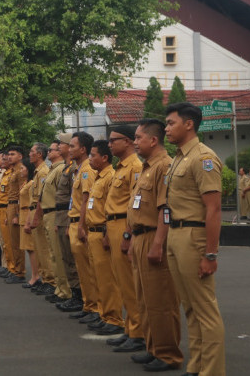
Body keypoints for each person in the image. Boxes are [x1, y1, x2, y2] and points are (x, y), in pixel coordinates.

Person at [165, 102, 225, 376]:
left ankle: (211, 371)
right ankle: (197, 365)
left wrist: (210, 254)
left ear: (189, 124)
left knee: (205, 308)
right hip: (176, 235)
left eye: (171, 123)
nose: (167, 128)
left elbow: (213, 209)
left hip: (193, 236)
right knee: (189, 306)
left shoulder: (203, 157)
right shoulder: (179, 157)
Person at [127, 119, 183, 372]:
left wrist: (158, 244)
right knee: (145, 299)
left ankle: (168, 354)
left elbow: (166, 210)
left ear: (153, 140)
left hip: (153, 236)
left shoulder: (164, 166)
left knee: (161, 301)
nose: (135, 142)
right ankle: (153, 348)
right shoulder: (147, 167)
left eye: (139, 138)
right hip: (139, 236)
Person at [104, 125, 145, 352]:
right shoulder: (120, 167)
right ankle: (129, 328)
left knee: (129, 284)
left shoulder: (135, 167)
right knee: (121, 281)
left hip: (123, 224)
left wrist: (128, 233)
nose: (110, 145)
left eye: (114, 140)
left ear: (128, 141)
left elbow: (134, 204)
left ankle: (138, 332)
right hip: (112, 224)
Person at [83, 140, 124, 336]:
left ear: (104, 157)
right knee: (97, 277)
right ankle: (103, 314)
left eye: (93, 155)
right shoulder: (98, 177)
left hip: (102, 232)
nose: (90, 158)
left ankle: (114, 318)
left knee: (108, 279)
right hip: (92, 232)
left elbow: (110, 209)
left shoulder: (110, 177)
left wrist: (107, 233)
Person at [33, 140, 72, 303]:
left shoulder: (61, 169)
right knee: (54, 255)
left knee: (58, 254)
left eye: (52, 149)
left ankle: (65, 291)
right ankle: (59, 288)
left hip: (56, 213)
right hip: (48, 213)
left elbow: (63, 197)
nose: (49, 152)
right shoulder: (52, 170)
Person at [66, 132, 99, 321]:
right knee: (82, 270)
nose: (70, 149)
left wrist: (81, 225)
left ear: (83, 149)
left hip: (80, 223)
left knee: (89, 270)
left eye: (72, 146)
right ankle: (88, 305)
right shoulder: (79, 169)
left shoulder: (87, 170)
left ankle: (94, 307)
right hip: (73, 222)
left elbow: (87, 200)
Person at [54, 133, 82, 312]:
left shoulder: (74, 169)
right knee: (64, 257)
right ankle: (74, 294)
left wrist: (72, 221)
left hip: (69, 214)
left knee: (72, 259)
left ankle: (78, 296)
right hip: (62, 214)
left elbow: (75, 196)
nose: (59, 148)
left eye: (62, 145)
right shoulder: (67, 168)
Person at [27, 142, 55, 294]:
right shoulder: (38, 171)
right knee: (39, 249)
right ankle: (44, 279)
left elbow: (41, 197)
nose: (29, 154)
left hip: (41, 213)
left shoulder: (44, 172)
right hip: (34, 211)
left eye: (32, 151)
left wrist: (36, 217)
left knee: (44, 250)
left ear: (39, 154)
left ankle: (49, 281)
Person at [2, 146, 26, 283]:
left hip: (16, 206)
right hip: (9, 205)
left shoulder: (21, 170)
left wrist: (17, 214)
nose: (9, 157)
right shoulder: (12, 171)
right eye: (9, 154)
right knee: (11, 241)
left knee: (16, 242)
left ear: (20, 156)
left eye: (13, 154)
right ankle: (15, 269)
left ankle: (20, 272)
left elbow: (21, 193)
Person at [18, 158, 39, 287]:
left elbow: (32, 203)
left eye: (22, 168)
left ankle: (36, 276)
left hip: (28, 214)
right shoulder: (26, 182)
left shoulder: (31, 183)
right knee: (28, 248)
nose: (20, 170)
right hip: (23, 214)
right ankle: (35, 275)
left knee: (32, 248)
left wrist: (28, 222)